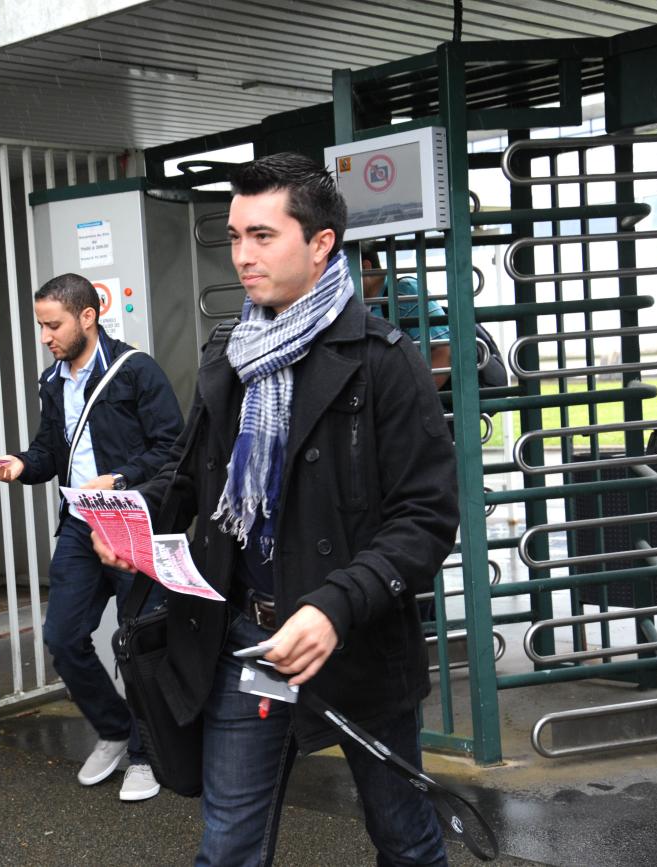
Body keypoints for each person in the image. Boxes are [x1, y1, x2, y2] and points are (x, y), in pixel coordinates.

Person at [93, 153, 460, 865]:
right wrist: (131, 516)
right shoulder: (228, 352)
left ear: (321, 243)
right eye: (235, 236)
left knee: (405, 840)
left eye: (262, 235)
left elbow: (425, 515)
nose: (242, 255)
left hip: (352, 643)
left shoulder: (385, 361)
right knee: (228, 848)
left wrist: (334, 607)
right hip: (243, 640)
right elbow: (190, 478)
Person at [0, 273, 183, 801]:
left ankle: (147, 754)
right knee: (62, 637)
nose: (46, 336)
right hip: (79, 522)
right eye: (41, 326)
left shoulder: (136, 371)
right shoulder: (52, 381)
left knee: (136, 637)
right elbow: (51, 452)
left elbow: (173, 447)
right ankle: (117, 729)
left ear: (88, 316)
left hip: (128, 517)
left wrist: (119, 479)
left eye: (53, 325)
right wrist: (19, 465)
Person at [358, 244, 452, 388]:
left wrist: (413, 400)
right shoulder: (364, 307)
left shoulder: (404, 292)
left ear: (365, 267)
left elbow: (444, 351)